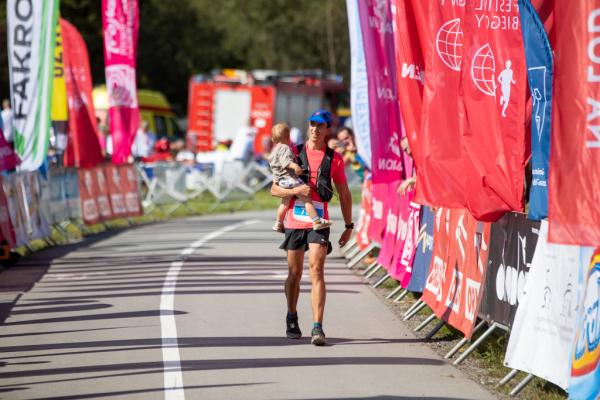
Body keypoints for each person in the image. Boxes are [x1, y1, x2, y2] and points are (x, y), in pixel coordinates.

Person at [271, 109, 354, 346]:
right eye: (312, 124)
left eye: (320, 125)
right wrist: (297, 190)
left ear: (328, 129)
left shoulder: (334, 158)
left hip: (319, 220)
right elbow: (274, 189)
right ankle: (292, 315)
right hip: (295, 219)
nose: (315, 129)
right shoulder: (293, 153)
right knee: (294, 273)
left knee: (316, 270)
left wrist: (349, 225)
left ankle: (318, 327)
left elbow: (344, 194)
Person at [268, 123, 332, 233]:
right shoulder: (285, 148)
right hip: (289, 179)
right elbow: (286, 162)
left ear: (273, 139)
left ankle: (278, 223)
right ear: (288, 138)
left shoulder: (273, 152)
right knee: (306, 198)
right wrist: (295, 166)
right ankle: (316, 221)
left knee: (285, 203)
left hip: (280, 181)